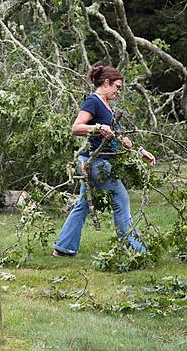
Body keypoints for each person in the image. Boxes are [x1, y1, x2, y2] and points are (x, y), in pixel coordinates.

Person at [52, 64, 157, 257]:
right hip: (95, 163)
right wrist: (98, 126)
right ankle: (135, 249)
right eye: (117, 87)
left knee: (83, 204)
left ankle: (63, 247)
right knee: (121, 199)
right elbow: (76, 127)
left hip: (93, 162)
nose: (118, 91)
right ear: (106, 83)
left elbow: (120, 136)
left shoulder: (107, 107)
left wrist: (141, 151)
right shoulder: (93, 102)